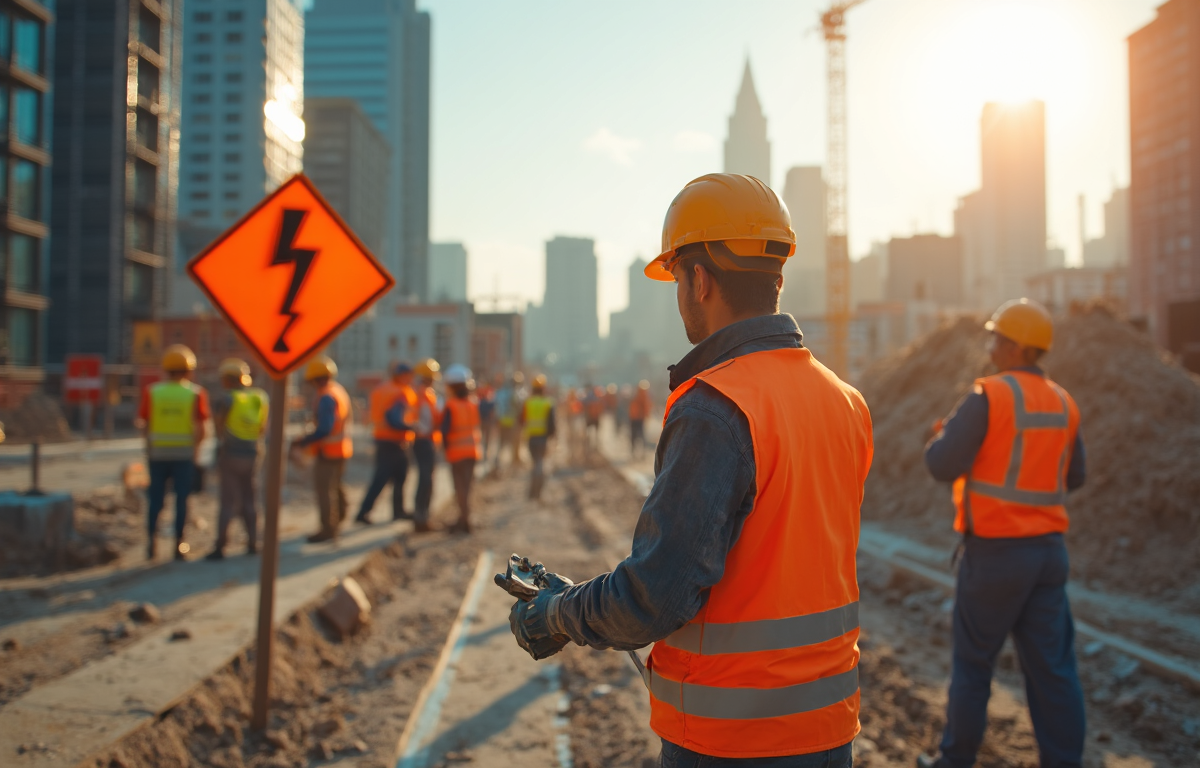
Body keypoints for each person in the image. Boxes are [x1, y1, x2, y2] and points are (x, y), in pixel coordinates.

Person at [504, 173, 872, 766]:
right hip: (827, 731)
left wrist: (556, 612)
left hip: (732, 742)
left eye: (677, 278)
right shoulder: (844, 401)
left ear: (699, 280)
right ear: (776, 278)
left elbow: (654, 598)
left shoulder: (716, 409)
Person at [917, 298, 1087, 768]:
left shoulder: (988, 396)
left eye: (996, 338)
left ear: (1014, 346)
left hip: (994, 556)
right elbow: (1074, 477)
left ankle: (955, 762)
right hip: (1048, 556)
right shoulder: (1064, 401)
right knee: (1054, 673)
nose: (990, 346)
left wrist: (944, 435)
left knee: (973, 667)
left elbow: (940, 463)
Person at [140, 344, 210, 561]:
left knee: (155, 500)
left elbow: (146, 424)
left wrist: (149, 449)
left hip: (158, 455)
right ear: (189, 369)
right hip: (183, 456)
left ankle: (151, 544)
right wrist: (196, 452)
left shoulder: (152, 392)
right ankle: (179, 545)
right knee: (182, 500)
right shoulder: (196, 393)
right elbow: (201, 430)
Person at [206, 358, 268, 560]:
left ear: (228, 379)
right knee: (250, 499)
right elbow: (262, 427)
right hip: (252, 453)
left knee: (227, 502)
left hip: (231, 454)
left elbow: (218, 428)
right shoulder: (259, 398)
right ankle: (253, 542)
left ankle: (221, 546)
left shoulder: (226, 399)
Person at [291, 355, 353, 543]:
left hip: (329, 451)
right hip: (342, 448)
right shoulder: (338, 390)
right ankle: (340, 517)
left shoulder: (326, 396)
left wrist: (305, 441)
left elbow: (325, 428)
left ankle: (328, 529)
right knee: (336, 485)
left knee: (325, 490)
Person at [355, 361, 416, 525]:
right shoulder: (399, 392)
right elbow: (394, 418)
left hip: (383, 439)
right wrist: (412, 427)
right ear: (402, 376)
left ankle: (396, 511)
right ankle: (364, 512)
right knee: (386, 478)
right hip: (394, 441)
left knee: (396, 477)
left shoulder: (382, 389)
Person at [441, 364, 482, 533]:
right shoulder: (472, 404)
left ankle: (464, 521)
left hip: (457, 453)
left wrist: (444, 448)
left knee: (460, 488)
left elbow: (445, 430)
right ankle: (465, 519)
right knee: (467, 487)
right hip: (472, 451)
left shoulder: (451, 406)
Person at [411, 358, 441, 533]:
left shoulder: (427, 394)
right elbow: (419, 420)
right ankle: (421, 516)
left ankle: (423, 515)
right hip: (422, 441)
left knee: (427, 480)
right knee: (425, 480)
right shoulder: (419, 394)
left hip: (428, 440)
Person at [520, 374, 556, 500]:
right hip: (542, 437)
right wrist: (552, 436)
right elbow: (552, 423)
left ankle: (533, 492)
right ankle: (537, 492)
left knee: (535, 463)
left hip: (531, 437)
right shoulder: (548, 403)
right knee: (540, 464)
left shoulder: (528, 403)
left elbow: (522, 420)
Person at [493, 371, 525, 471]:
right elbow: (518, 407)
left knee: (501, 444)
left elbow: (496, 407)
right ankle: (513, 463)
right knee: (515, 443)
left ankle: (497, 463)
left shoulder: (500, 392)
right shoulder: (515, 393)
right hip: (512, 422)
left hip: (502, 421)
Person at [627, 379, 652, 459]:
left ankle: (639, 452)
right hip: (635, 419)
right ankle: (636, 452)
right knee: (638, 436)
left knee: (639, 436)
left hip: (638, 419)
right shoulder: (636, 397)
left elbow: (647, 408)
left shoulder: (643, 397)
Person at [477, 379, 497, 464]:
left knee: (483, 439)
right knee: (486, 439)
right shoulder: (489, 402)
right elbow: (493, 413)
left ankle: (483, 454)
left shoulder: (479, 402)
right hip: (486, 422)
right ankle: (484, 454)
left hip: (483, 422)